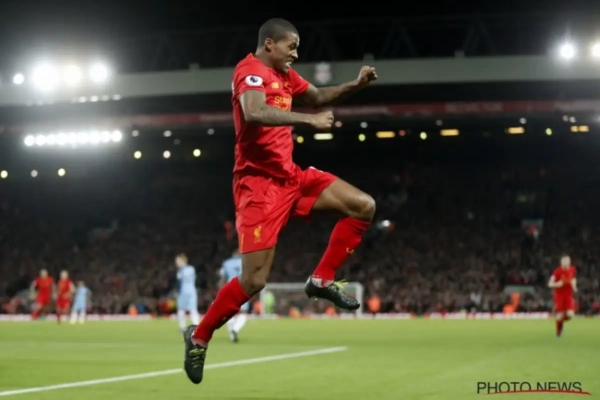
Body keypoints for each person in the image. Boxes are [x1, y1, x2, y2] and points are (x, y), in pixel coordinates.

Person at [183, 17, 377, 385]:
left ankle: (321, 280)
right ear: (270, 44)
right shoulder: (250, 71)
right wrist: (308, 121)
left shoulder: (284, 75)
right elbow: (254, 112)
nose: (296, 54)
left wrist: (356, 84)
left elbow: (317, 96)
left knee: (363, 206)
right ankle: (199, 336)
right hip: (258, 187)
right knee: (254, 281)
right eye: (291, 46)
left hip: (291, 177)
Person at [219, 248, 248, 343]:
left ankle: (232, 332)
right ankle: (235, 329)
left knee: (228, 312)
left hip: (230, 288)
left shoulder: (226, 263)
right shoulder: (245, 263)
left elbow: (223, 278)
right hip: (242, 288)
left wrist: (221, 291)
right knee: (243, 313)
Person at [548, 254, 577, 337]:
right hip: (559, 296)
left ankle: (560, 322)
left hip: (569, 295)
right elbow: (549, 284)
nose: (566, 263)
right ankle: (558, 333)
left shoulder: (572, 269)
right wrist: (557, 284)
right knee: (559, 315)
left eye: (567, 261)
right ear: (561, 262)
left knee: (570, 315)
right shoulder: (557, 272)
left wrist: (574, 286)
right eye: (564, 261)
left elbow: (573, 278)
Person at [176, 253, 200, 332]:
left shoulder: (181, 271)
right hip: (192, 290)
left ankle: (183, 327)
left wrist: (178, 292)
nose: (176, 263)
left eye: (177, 261)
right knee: (192, 309)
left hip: (183, 291)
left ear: (182, 261)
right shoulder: (192, 269)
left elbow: (179, 282)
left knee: (182, 309)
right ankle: (196, 326)